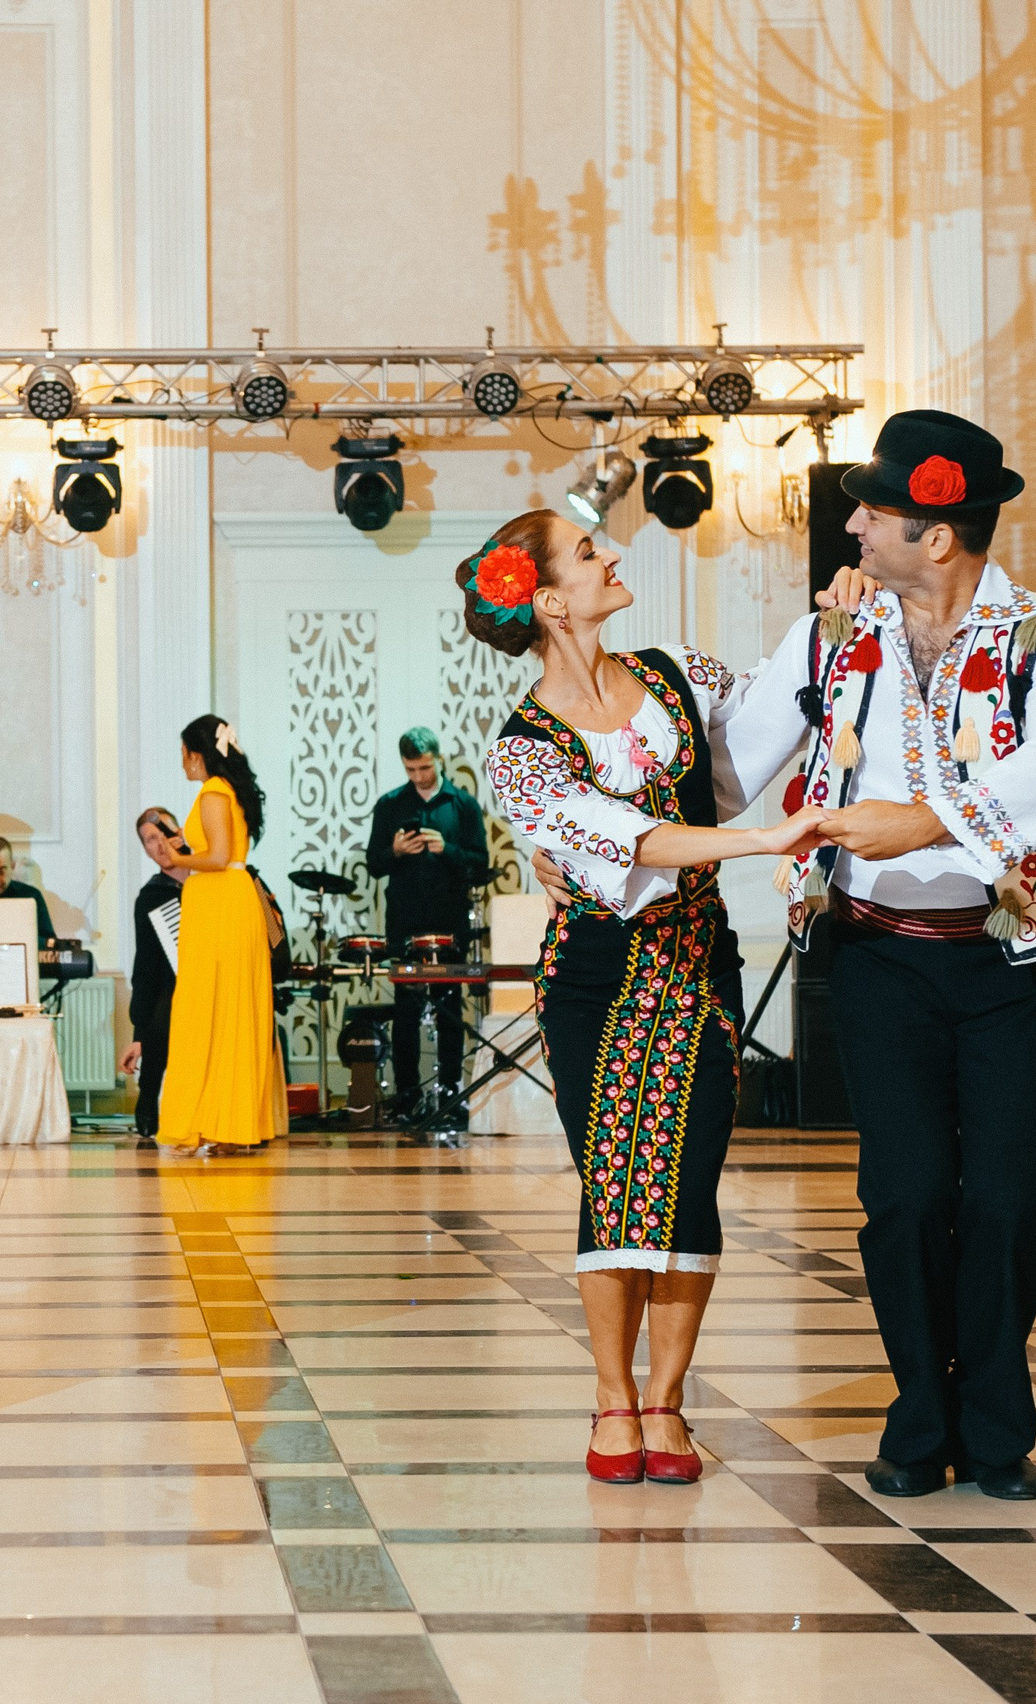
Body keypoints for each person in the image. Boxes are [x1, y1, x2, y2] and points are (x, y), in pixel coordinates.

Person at [695, 411, 1036, 1502]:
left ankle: (999, 1426)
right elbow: (731, 767)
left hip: (1018, 963)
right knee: (908, 1196)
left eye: (873, 510)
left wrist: (921, 820)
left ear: (936, 536)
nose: (853, 522)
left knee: (1009, 1201)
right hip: (879, 959)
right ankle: (921, 1417)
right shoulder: (831, 637)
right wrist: (604, 825)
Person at [472, 510, 828, 1486]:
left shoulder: (675, 672)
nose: (613, 556)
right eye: (588, 554)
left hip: (698, 963)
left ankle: (667, 1402)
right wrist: (761, 845)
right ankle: (611, 1397)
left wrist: (831, 632)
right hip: (594, 975)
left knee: (691, 1175)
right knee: (617, 1178)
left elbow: (754, 747)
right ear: (547, 599)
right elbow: (629, 839)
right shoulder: (522, 752)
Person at [155, 715, 289, 1155]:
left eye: (183, 755)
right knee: (228, 1009)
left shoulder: (213, 791)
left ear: (198, 754)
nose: (182, 765)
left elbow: (218, 856)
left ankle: (217, 1121)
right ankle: (229, 1122)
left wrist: (177, 856)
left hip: (221, 906)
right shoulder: (229, 791)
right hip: (227, 903)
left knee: (209, 1009)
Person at [363, 728, 488, 1118]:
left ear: (439, 758)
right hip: (404, 921)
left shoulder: (463, 805)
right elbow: (373, 864)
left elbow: (481, 863)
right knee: (406, 1011)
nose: (418, 776)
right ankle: (406, 1097)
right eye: (411, 769)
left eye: (425, 767)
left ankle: (451, 1094)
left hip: (450, 920)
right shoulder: (389, 805)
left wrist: (446, 849)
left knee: (451, 1009)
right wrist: (396, 850)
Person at [119, 807, 186, 1142]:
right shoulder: (151, 896)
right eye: (149, 841)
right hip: (168, 990)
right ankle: (149, 1095)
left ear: (180, 832)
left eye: (163, 835)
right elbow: (145, 967)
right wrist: (137, 1032)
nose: (159, 845)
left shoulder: (211, 878)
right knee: (162, 1004)